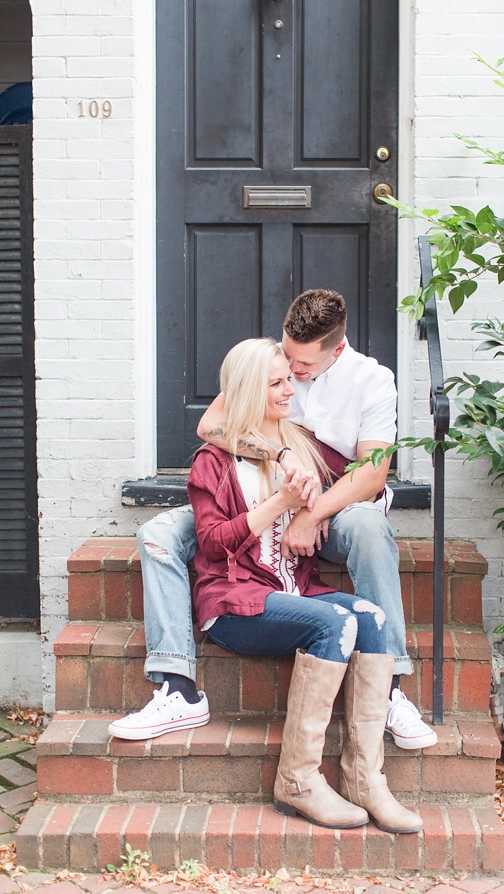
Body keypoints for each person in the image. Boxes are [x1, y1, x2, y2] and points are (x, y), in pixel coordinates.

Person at [108, 289, 436, 753]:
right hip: (263, 493)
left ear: (336, 350)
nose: (292, 379)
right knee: (158, 532)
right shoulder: (269, 364)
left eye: (300, 371)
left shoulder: (372, 381)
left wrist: (310, 511)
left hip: (331, 506)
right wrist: (281, 457)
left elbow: (372, 472)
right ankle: (175, 682)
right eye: (284, 368)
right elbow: (211, 427)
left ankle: (390, 690)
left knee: (368, 531)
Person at [188, 337, 421, 834]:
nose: (289, 389)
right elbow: (209, 546)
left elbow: (364, 476)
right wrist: (280, 503)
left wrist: (317, 510)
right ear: (250, 390)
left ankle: (366, 780)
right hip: (234, 604)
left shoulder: (303, 446)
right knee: (336, 622)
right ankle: (297, 780)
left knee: (372, 618)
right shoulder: (212, 462)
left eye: (288, 379)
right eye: (275, 382)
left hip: (295, 593)